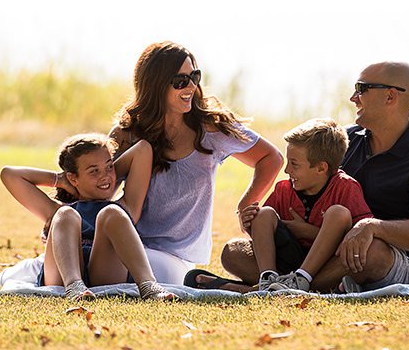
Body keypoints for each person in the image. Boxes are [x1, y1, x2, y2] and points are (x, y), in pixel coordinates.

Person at [223, 61, 409, 293]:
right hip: (321, 252)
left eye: (362, 88)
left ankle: (288, 287)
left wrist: (371, 227)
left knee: (371, 252)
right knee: (233, 252)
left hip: (383, 258)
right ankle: (299, 283)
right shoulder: (344, 141)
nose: (353, 97)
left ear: (390, 96)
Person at [109, 41, 284, 285]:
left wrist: (246, 203)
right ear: (156, 84)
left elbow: (271, 158)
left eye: (194, 76)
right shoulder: (127, 132)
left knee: (137, 273)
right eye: (180, 80)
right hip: (128, 242)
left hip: (175, 257)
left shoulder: (211, 127)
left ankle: (214, 283)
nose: (191, 86)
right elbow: (99, 187)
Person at [0, 133, 175, 300]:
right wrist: (60, 180)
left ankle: (148, 285)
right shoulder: (58, 211)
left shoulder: (125, 207)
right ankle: (74, 285)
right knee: (65, 214)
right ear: (73, 178)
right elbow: (9, 175)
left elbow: (142, 149)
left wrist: (105, 176)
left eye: (109, 167)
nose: (105, 176)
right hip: (62, 275)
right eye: (94, 171)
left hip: (104, 271)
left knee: (111, 212)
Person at [231, 118, 372, 292]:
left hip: (327, 264)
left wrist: (308, 232)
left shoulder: (346, 188)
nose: (287, 170)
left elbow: (361, 237)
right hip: (287, 261)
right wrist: (250, 222)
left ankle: (301, 280)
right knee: (234, 250)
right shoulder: (283, 190)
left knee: (338, 214)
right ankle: (268, 279)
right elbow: (264, 235)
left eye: (294, 164)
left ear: (321, 168)